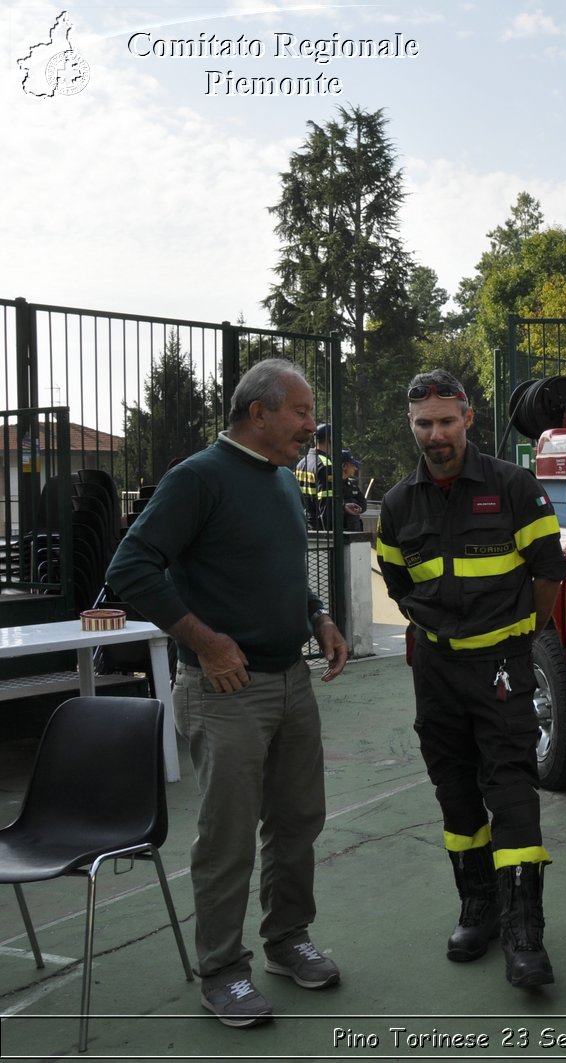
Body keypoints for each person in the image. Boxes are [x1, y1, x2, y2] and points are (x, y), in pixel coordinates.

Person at [105, 358, 350, 1027]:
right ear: (258, 412)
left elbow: (281, 567)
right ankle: (222, 970)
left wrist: (319, 616)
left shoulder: (278, 479)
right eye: (300, 411)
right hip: (226, 689)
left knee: (298, 821)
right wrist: (205, 641)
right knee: (227, 839)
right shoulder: (198, 478)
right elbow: (130, 565)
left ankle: (286, 941)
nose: (311, 424)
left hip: (291, 680)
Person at [375, 369, 566, 988]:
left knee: (511, 791)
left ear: (468, 420)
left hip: (501, 670)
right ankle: (478, 909)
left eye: (446, 421)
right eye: (424, 424)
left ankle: (524, 931)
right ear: (412, 427)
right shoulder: (399, 504)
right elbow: (397, 583)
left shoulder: (515, 488)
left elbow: (547, 576)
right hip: (435, 671)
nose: (436, 435)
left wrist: (513, 639)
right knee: (455, 793)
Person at [294, 423, 335, 529]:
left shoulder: (302, 463)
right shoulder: (325, 464)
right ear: (330, 438)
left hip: (304, 524)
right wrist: (330, 534)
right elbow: (326, 503)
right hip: (320, 527)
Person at [338, 449, 366, 533]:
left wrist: (358, 509)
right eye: (353, 465)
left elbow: (363, 503)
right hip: (341, 531)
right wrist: (346, 506)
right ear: (344, 466)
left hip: (355, 530)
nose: (355, 468)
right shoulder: (332, 484)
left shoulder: (352, 484)